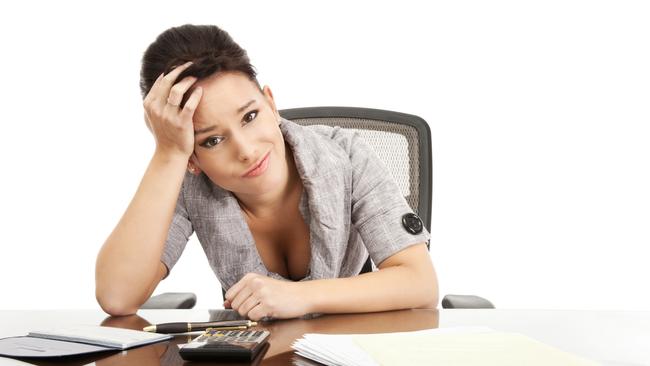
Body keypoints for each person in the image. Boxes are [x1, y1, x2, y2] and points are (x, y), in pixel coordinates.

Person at [95, 24, 438, 320]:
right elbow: (117, 296)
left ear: (271, 104)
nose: (245, 150)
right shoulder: (187, 180)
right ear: (193, 158)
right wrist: (167, 155)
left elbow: (420, 283)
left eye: (250, 116)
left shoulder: (348, 155)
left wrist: (300, 297)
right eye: (212, 140)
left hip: (346, 348)